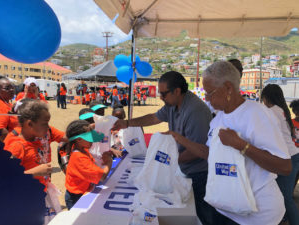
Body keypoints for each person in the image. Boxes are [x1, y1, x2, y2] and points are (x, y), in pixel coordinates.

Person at [167, 61, 291, 225]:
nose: (206, 99)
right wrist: (179, 139)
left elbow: (285, 167)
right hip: (227, 209)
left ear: (228, 88)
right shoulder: (218, 118)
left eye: (210, 93)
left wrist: (241, 145)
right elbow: (209, 153)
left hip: (258, 215)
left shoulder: (257, 114)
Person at [112, 71, 219, 224]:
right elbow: (154, 117)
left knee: (202, 215)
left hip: (199, 174)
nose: (160, 98)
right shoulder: (172, 103)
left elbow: (198, 151)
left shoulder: (196, 111)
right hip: (183, 169)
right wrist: (127, 123)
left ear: (177, 91)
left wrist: (167, 162)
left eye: (163, 94)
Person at [4, 100, 67, 223]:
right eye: (45, 123)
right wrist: (35, 172)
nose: (48, 127)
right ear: (30, 124)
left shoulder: (35, 139)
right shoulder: (17, 147)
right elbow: (6, 180)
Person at [261, 84, 299, 225]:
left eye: (263, 98)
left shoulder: (272, 111)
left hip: (288, 158)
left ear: (267, 97)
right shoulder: (281, 110)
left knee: (285, 198)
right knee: (281, 196)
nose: (263, 102)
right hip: (292, 156)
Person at [64, 120, 113, 209]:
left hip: (83, 190)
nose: (92, 142)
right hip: (76, 197)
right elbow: (102, 176)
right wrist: (109, 162)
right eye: (89, 138)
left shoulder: (81, 149)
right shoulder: (79, 157)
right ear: (78, 140)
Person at [0, 76, 18, 141]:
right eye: (7, 88)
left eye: (12, 87)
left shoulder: (8, 104)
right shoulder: (0, 105)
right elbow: (1, 130)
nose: (12, 90)